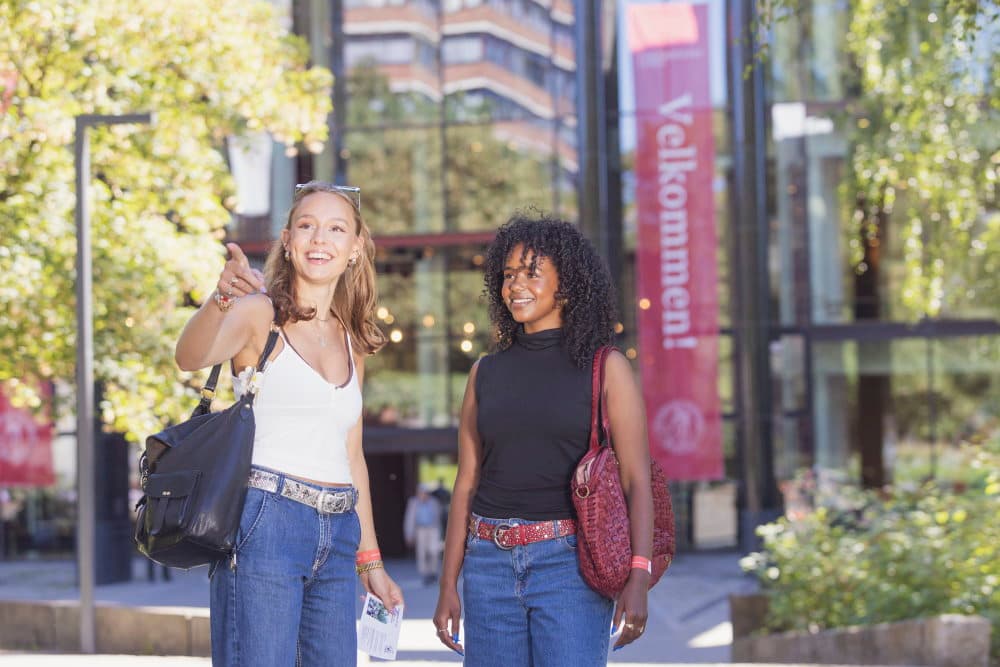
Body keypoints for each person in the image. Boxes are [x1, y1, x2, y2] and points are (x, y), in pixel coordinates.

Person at [175, 181, 404, 666]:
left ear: (355, 248)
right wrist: (219, 298)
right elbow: (189, 357)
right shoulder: (260, 314)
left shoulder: (351, 339)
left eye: (336, 229)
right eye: (307, 226)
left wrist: (372, 560)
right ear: (287, 239)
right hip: (266, 521)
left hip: (338, 528)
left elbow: (352, 455)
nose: (320, 239)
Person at [433, 215, 655, 665]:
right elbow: (466, 483)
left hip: (569, 566)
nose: (516, 284)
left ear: (567, 286)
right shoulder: (484, 373)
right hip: (488, 565)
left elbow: (637, 481)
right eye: (509, 274)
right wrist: (447, 586)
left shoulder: (606, 366)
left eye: (531, 272)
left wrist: (638, 575)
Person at [403, 484, 442, 585]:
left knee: (433, 551)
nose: (422, 495)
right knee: (421, 553)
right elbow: (409, 519)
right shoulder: (413, 502)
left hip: (433, 529)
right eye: (420, 493)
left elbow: (438, 518)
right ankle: (425, 574)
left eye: (424, 493)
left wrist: (440, 533)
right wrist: (409, 534)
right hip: (420, 530)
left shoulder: (434, 502)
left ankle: (433, 572)